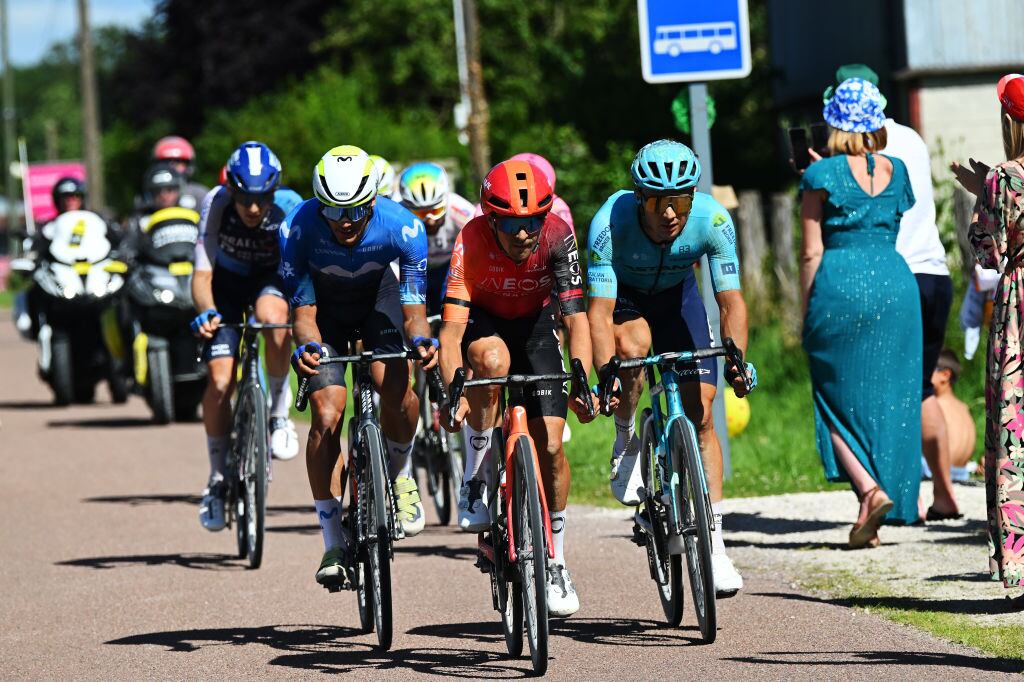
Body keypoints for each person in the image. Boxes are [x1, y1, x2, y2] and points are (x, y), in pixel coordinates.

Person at [587, 139, 755, 597]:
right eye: (660, 202)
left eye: (680, 201)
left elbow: (730, 300)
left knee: (702, 413)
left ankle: (716, 546)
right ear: (641, 198)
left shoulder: (713, 218)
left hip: (678, 299)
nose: (670, 214)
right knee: (636, 345)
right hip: (625, 298)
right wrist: (605, 371)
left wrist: (737, 357)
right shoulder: (609, 224)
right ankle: (626, 437)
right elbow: (599, 315)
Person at [440, 158, 597, 617]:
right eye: (511, 224)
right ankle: (475, 478)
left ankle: (558, 561)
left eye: (532, 221)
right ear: (491, 219)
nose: (524, 233)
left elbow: (575, 318)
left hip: (536, 324)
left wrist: (582, 375)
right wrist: (454, 389)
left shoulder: (557, 235)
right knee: (492, 362)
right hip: (486, 324)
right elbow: (451, 334)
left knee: (550, 444)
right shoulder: (469, 240)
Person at [281, 145, 435, 587]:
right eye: (332, 210)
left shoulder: (403, 226)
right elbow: (304, 316)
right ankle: (332, 540)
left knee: (395, 384)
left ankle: (403, 475)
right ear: (317, 203)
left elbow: (413, 308)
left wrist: (421, 339)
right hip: (323, 313)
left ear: (373, 200)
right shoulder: (297, 228)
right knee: (326, 414)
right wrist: (307, 348)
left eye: (356, 210)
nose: (345, 221)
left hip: (378, 301)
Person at [824, 64, 960, 521]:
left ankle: (894, 499)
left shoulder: (851, 159)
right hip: (935, 273)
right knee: (922, 390)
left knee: (870, 394)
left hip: (888, 280)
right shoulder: (912, 139)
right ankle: (943, 493)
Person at [801, 78, 922, 547]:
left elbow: (811, 253)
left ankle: (870, 491)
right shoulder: (899, 170)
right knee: (889, 399)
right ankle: (869, 510)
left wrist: (806, 309)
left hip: (840, 282)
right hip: (895, 283)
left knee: (831, 397)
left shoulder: (820, 176)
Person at [190, 141, 298, 532]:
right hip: (226, 286)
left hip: (269, 281)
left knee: (274, 318)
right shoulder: (215, 204)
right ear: (231, 189)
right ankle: (217, 478)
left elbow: (303, 271)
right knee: (220, 380)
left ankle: (278, 416)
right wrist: (206, 311)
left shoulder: (289, 205)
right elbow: (201, 276)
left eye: (262, 198)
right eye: (245, 198)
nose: (254, 208)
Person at [952, 72, 1024, 591]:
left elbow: (990, 255)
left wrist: (984, 196)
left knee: (1015, 423)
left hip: (1020, 304)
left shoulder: (1005, 176)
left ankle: (1018, 558)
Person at [397, 162, 475, 317]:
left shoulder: (461, 211)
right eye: (420, 214)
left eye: (436, 210)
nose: (430, 220)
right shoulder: (398, 214)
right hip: (412, 269)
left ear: (445, 201)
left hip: (448, 267)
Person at [930, 349, 976, 478]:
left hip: (938, 471)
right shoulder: (963, 407)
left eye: (928, 370)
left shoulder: (935, 405)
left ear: (945, 375)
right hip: (962, 472)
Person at [152, 136, 210, 210]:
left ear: (188, 166)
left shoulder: (200, 195)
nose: (171, 167)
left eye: (177, 162)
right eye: (165, 162)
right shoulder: (149, 196)